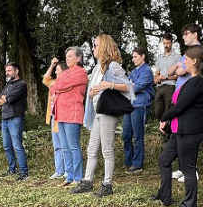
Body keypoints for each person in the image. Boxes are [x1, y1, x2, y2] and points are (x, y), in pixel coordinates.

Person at [71, 34, 134, 197]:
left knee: (107, 148)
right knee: (92, 148)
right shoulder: (98, 67)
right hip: (98, 110)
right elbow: (95, 90)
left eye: (96, 45)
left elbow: (128, 87)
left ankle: (107, 184)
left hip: (108, 111)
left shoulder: (112, 66)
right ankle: (87, 181)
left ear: (104, 47)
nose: (93, 49)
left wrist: (110, 84)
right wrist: (92, 93)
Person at [152, 44, 203, 207]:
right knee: (164, 159)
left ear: (193, 61)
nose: (182, 61)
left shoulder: (198, 82)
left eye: (185, 59)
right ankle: (165, 195)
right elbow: (179, 107)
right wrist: (169, 123)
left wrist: (164, 118)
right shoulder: (192, 81)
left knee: (188, 169)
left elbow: (180, 107)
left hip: (190, 132)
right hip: (181, 130)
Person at [166, 24, 203, 183]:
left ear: (195, 34)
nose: (183, 37)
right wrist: (178, 66)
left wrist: (179, 67)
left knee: (189, 132)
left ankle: (191, 170)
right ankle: (184, 168)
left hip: (189, 95)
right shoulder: (186, 53)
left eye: (186, 34)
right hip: (180, 94)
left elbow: (179, 72)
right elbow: (170, 71)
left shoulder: (198, 51)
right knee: (180, 132)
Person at [50, 47, 89, 187]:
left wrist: (61, 87)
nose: (67, 58)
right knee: (65, 147)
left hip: (73, 112)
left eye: (71, 56)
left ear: (79, 58)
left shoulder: (82, 73)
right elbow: (54, 86)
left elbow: (61, 85)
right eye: (66, 56)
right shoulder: (66, 72)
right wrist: (61, 87)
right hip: (60, 113)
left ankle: (78, 177)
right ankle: (69, 176)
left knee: (73, 146)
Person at [123, 46, 155, 172]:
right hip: (129, 105)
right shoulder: (134, 71)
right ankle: (129, 161)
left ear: (143, 57)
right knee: (126, 135)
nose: (133, 59)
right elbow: (127, 85)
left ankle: (137, 164)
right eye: (133, 57)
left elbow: (136, 87)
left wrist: (131, 86)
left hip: (140, 105)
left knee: (137, 135)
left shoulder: (147, 71)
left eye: (135, 56)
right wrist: (131, 86)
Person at [0, 62, 29, 180]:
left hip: (15, 118)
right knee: (6, 146)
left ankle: (23, 172)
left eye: (9, 71)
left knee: (17, 146)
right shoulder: (7, 85)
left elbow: (10, 98)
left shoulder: (21, 84)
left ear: (16, 71)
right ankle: (12, 169)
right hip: (5, 119)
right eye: (6, 71)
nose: (7, 73)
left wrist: (5, 98)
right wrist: (4, 99)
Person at [43, 59, 68, 180]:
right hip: (54, 117)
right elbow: (45, 79)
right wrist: (52, 65)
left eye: (58, 70)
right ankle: (59, 170)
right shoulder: (53, 83)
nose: (56, 72)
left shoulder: (67, 83)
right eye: (56, 70)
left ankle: (68, 170)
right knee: (57, 146)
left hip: (63, 116)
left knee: (65, 145)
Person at [153, 33, 181, 125]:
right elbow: (156, 73)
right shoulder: (160, 57)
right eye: (164, 43)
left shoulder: (177, 57)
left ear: (172, 43)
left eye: (168, 43)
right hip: (159, 87)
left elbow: (179, 75)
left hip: (170, 86)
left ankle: (170, 135)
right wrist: (156, 78)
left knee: (169, 110)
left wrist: (165, 77)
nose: (166, 45)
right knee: (158, 111)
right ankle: (164, 131)